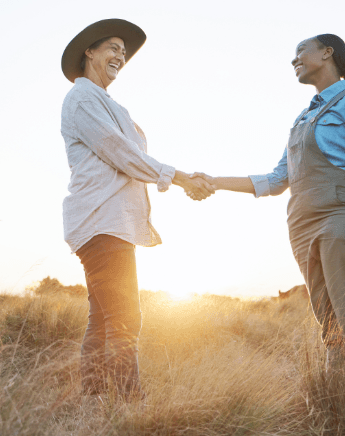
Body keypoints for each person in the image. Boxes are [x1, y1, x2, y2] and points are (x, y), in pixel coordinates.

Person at [195, 34, 345, 380]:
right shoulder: (303, 118)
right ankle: (341, 407)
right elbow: (276, 180)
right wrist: (215, 181)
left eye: (300, 51)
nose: (293, 60)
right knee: (330, 326)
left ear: (327, 53)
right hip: (303, 231)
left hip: (341, 225)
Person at [60, 19, 215, 401]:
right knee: (125, 317)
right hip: (101, 221)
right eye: (113, 48)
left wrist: (183, 178)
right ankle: (130, 403)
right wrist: (179, 178)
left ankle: (95, 402)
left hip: (114, 223)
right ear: (89, 52)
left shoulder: (114, 106)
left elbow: (130, 155)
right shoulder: (82, 99)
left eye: (124, 53)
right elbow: (121, 153)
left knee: (104, 319)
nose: (120, 56)